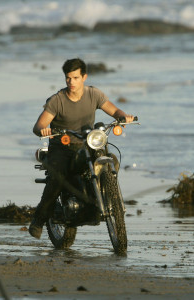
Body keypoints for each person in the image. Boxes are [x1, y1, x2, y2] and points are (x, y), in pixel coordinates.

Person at [29, 58, 134, 239]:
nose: (71, 82)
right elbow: (38, 126)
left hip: (88, 142)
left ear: (84, 77)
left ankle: (107, 198)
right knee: (58, 176)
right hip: (63, 146)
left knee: (112, 160)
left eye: (76, 78)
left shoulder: (94, 94)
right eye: (68, 78)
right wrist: (43, 129)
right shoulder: (57, 100)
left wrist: (124, 117)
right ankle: (38, 220)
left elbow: (114, 110)